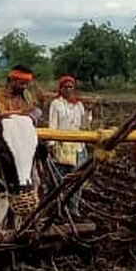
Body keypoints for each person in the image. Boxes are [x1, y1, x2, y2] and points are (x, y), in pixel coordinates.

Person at [47, 75, 91, 219]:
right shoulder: (56, 104)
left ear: (74, 89)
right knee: (60, 180)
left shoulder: (79, 105)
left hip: (78, 147)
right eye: (65, 87)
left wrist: (89, 111)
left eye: (70, 87)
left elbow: (84, 126)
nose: (68, 89)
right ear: (60, 89)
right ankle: (58, 209)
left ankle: (73, 209)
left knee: (77, 180)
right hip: (61, 146)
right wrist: (51, 144)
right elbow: (52, 125)